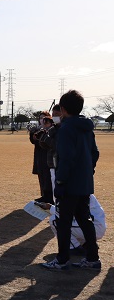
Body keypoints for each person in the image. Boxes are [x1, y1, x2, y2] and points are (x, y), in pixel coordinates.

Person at [42, 90, 100, 270]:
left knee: (64, 222)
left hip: (69, 183)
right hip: (84, 182)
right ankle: (92, 258)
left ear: (64, 109)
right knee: (84, 219)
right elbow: (94, 153)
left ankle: (62, 259)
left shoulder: (66, 128)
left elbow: (66, 158)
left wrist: (60, 182)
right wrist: (87, 171)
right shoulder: (87, 127)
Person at [29, 112, 54, 204]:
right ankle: (44, 195)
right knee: (41, 176)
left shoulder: (52, 129)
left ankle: (49, 197)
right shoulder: (39, 129)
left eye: (44, 118)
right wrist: (33, 133)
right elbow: (33, 141)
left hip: (48, 157)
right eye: (40, 118)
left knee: (48, 178)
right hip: (39, 156)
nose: (42, 120)